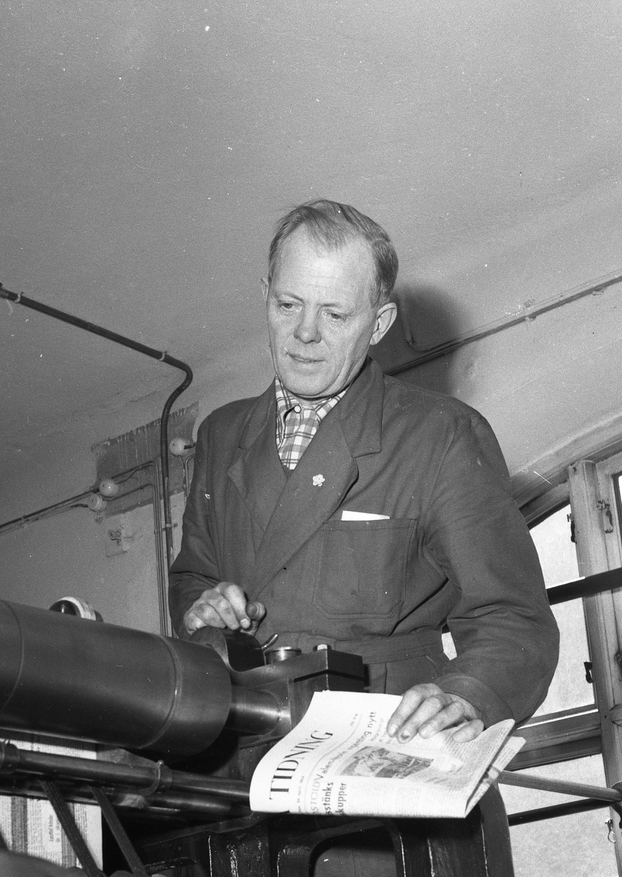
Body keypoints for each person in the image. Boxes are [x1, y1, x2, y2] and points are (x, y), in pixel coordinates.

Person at [169, 200, 558, 744]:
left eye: (335, 314)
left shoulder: (441, 434)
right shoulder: (220, 434)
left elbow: (513, 619)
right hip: (241, 741)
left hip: (383, 742)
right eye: (288, 305)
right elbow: (192, 576)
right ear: (265, 296)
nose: (305, 333)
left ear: (379, 324)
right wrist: (202, 609)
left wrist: (468, 696)